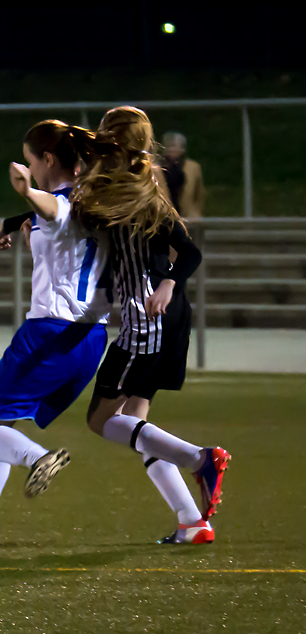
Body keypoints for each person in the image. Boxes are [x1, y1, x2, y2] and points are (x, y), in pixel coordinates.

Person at [70, 106, 230, 544]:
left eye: (106, 131)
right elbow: (189, 254)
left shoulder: (125, 190)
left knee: (101, 420)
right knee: (140, 428)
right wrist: (169, 284)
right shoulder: (144, 185)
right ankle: (190, 520)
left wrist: (167, 284)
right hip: (162, 316)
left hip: (148, 319)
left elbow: (187, 254)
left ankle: (201, 459)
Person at [0, 120, 112, 549]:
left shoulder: (57, 203)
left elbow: (52, 208)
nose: (28, 166)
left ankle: (37, 456)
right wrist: (19, 222)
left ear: (47, 160)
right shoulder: (96, 201)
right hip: (90, 339)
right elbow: (58, 224)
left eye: (31, 159)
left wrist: (25, 193)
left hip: (49, 336)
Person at [160, 132, 204, 219]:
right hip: (163, 217)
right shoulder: (157, 168)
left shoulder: (193, 167)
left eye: (173, 146)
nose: (170, 150)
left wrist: (195, 212)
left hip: (188, 217)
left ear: (182, 149)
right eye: (167, 146)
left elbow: (199, 195)